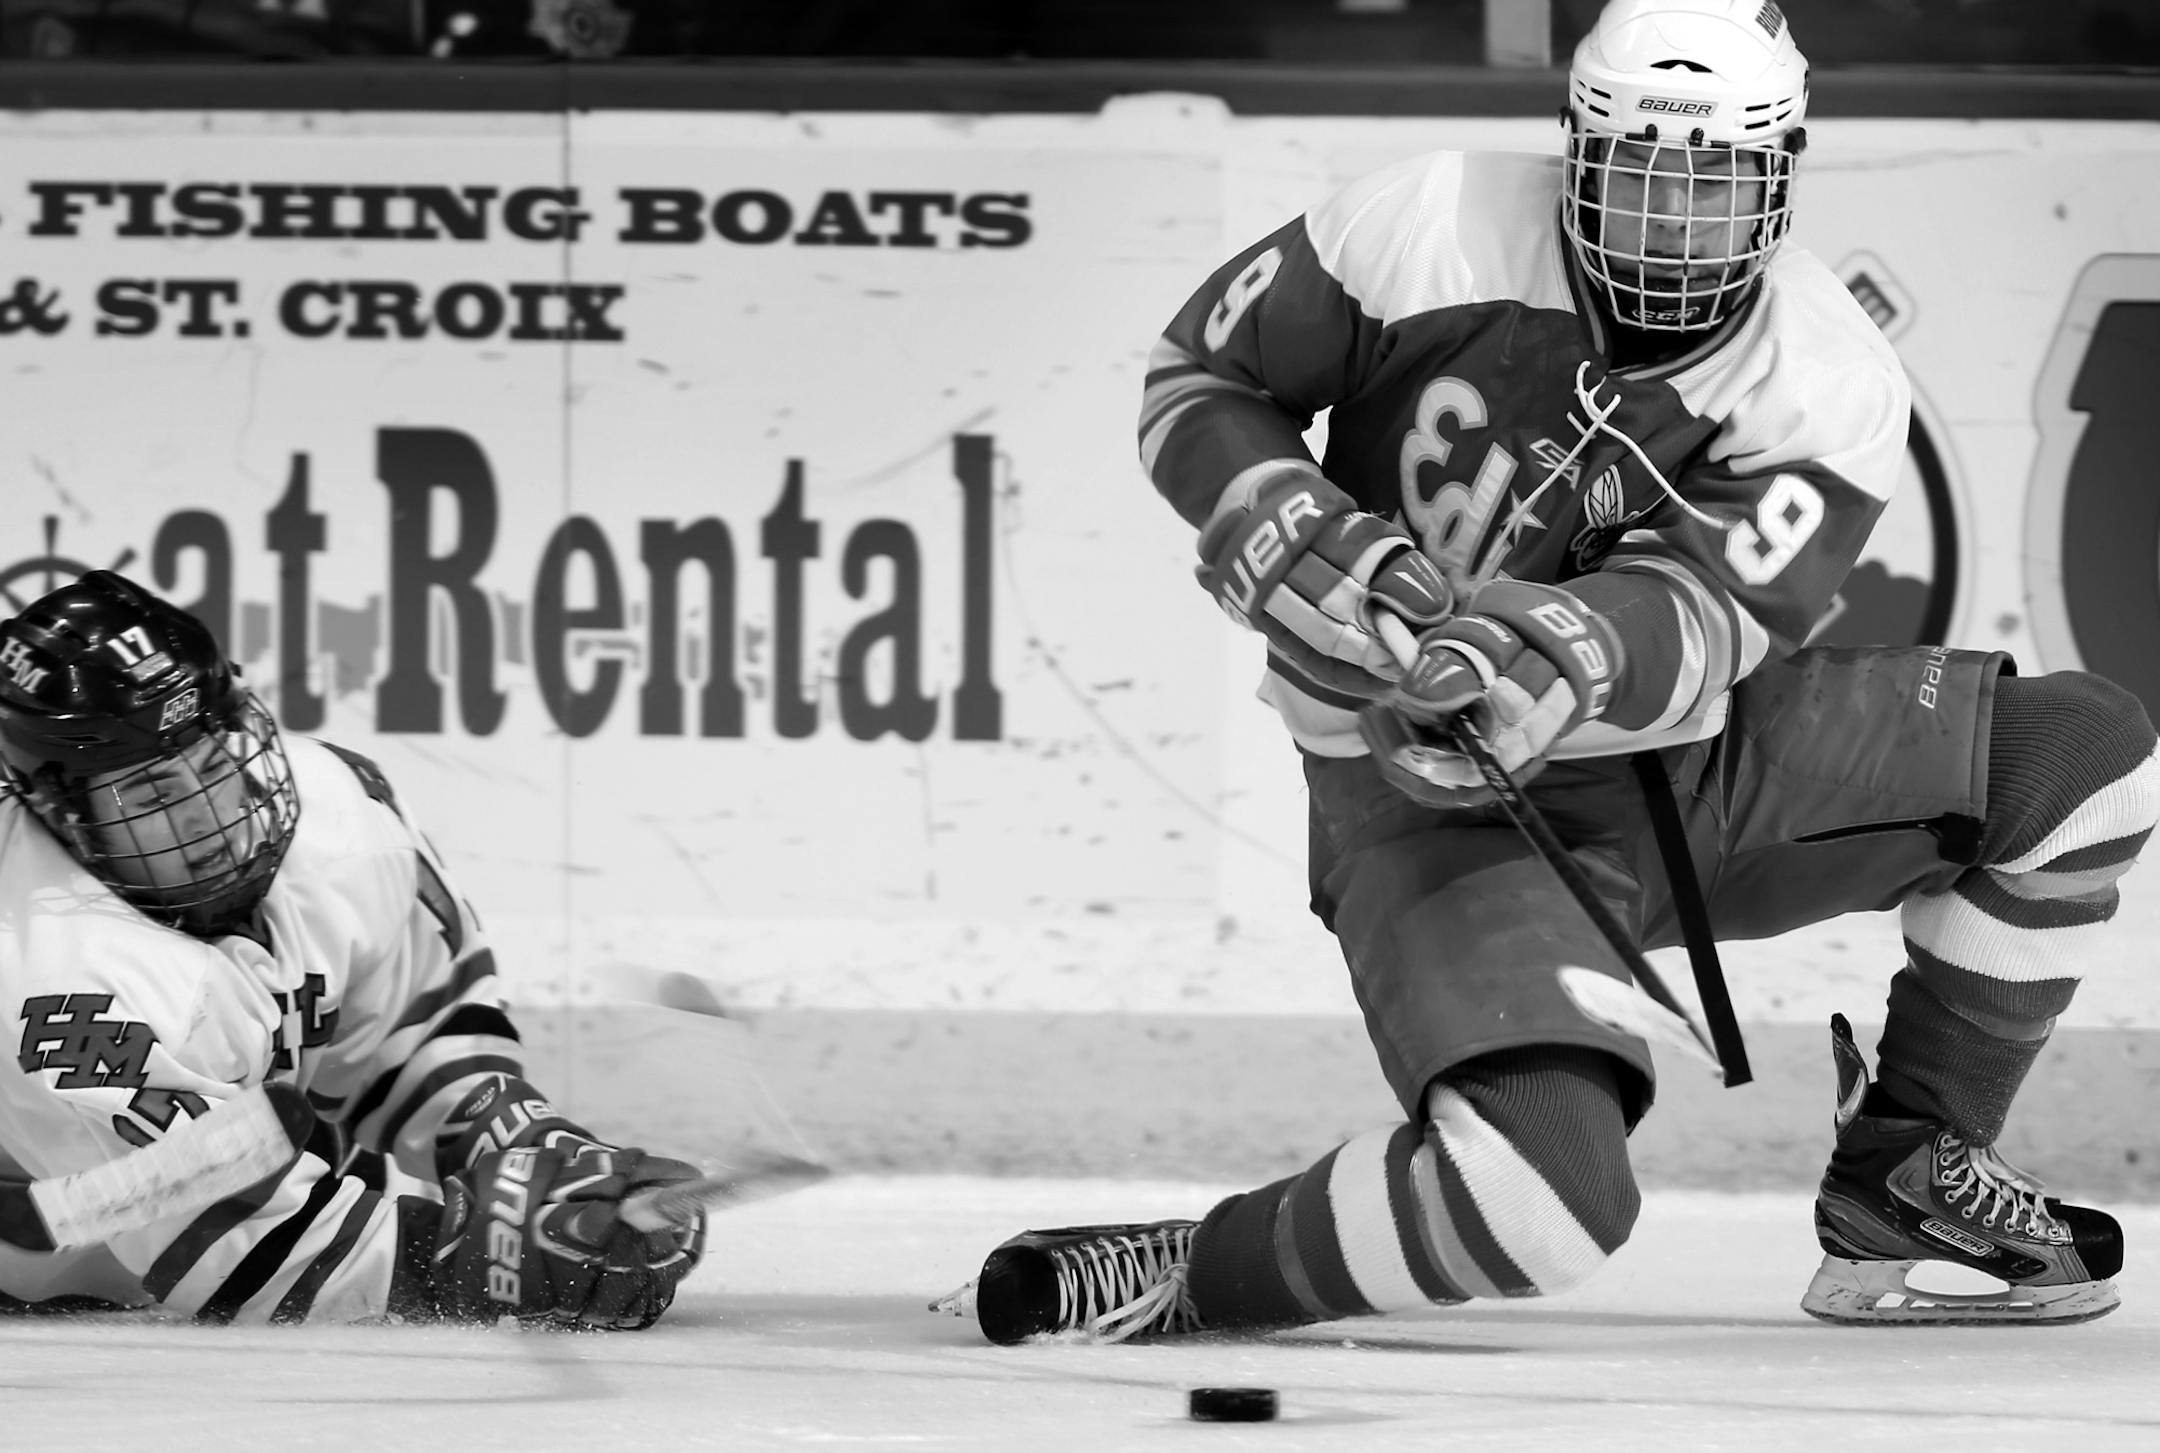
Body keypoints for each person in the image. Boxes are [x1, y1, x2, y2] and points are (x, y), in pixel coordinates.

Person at [942, 0, 2159, 1341]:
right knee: (1543, 1200)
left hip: (1686, 770)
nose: (1673, 222)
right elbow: (1201, 372)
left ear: (1785, 172)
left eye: (1718, 182)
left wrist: (1555, 649)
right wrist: (1283, 517)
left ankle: (1907, 1179)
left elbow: (1698, 620)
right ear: (1574, 148)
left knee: (2084, 757)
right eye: (1640, 172)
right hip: (1424, 797)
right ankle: (1192, 1271)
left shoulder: (1827, 381)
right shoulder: (1424, 223)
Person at [0, 569, 706, 1326]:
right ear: (59, 808)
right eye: (152, 796)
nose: (216, 814)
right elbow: (248, 1256)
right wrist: (487, 1262)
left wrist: (528, 1143)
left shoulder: (337, 810)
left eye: (216, 761)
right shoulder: (58, 980)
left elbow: (412, 1033)